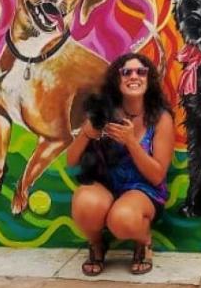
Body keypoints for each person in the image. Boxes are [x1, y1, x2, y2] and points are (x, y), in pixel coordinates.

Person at [68, 52, 175, 276]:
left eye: (141, 72)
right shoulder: (103, 112)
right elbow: (72, 161)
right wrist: (86, 134)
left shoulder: (160, 118)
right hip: (106, 184)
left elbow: (157, 176)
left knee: (122, 219)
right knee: (84, 204)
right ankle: (97, 244)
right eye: (126, 72)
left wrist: (131, 142)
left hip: (143, 189)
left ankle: (143, 241)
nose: (133, 76)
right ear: (117, 80)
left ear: (149, 79)